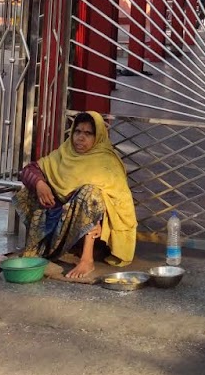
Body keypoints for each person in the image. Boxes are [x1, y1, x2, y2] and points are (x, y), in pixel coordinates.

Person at [15, 111, 137, 282]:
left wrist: (103, 221)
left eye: (88, 134)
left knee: (91, 193)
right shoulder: (65, 152)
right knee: (31, 188)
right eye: (77, 132)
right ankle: (39, 247)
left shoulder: (107, 162)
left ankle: (87, 260)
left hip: (94, 235)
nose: (80, 138)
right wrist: (40, 185)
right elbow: (28, 170)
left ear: (98, 136)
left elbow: (121, 204)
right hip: (58, 222)